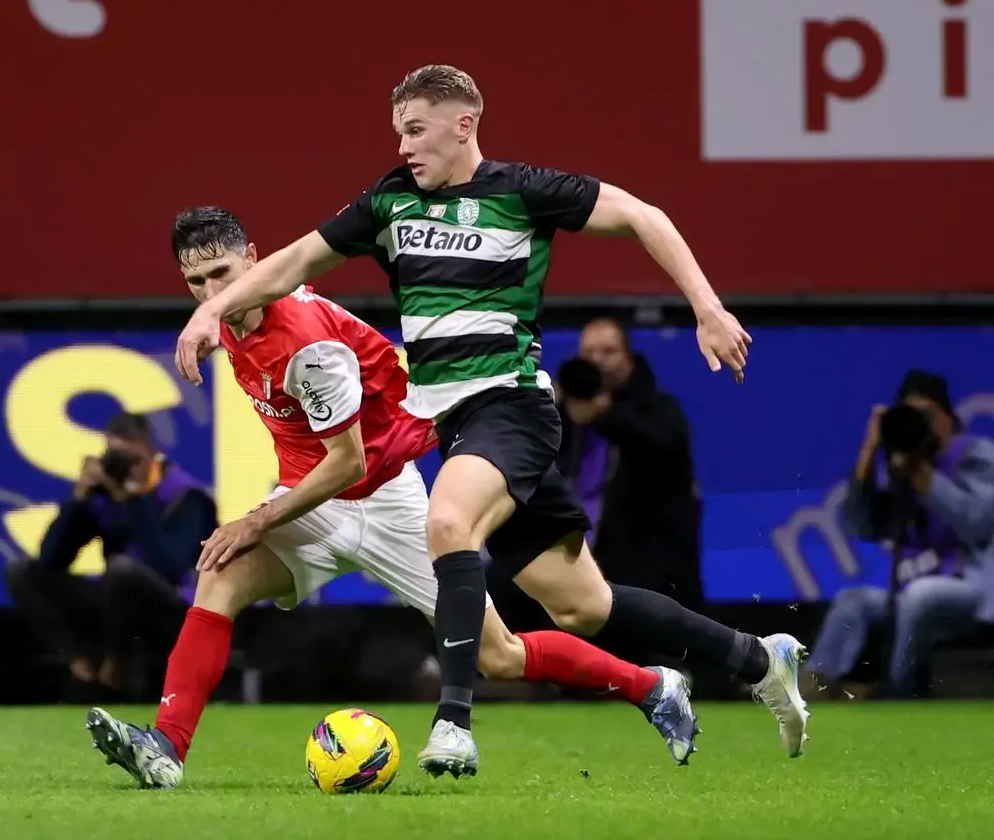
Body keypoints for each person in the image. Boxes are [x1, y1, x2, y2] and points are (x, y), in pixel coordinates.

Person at [172, 65, 808, 776]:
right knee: (583, 607)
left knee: (448, 523)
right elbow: (292, 260)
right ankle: (756, 656)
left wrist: (707, 306)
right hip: (459, 425)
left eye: (416, 129)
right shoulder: (391, 201)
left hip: (512, 406)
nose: (405, 146)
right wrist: (211, 311)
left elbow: (643, 216)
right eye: (398, 132)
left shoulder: (522, 190)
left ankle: (453, 722)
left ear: (463, 124)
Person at [84, 207, 700, 791]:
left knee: (499, 656)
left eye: (222, 273)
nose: (210, 289)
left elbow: (347, 461)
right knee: (218, 574)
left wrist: (259, 519)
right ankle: (164, 749)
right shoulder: (226, 318)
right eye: (196, 280)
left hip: (384, 499)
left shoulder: (306, 344)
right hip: (315, 502)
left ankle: (652, 687)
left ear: (254, 257)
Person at [804, 371, 994, 698]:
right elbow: (863, 527)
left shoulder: (975, 455)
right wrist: (869, 453)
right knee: (855, 601)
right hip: (910, 596)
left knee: (921, 595)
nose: (919, 424)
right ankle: (813, 686)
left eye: (926, 416)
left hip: (976, 591)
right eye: (911, 416)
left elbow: (978, 525)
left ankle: (895, 693)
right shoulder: (901, 464)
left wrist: (926, 478)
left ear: (948, 418)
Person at [5, 412, 216, 699]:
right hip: (115, 605)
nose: (124, 466)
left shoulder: (186, 496)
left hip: (174, 609)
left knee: (122, 570)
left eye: (132, 458)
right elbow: (51, 560)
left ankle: (117, 662)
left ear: (151, 454)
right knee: (21, 572)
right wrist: (79, 498)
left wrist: (134, 498)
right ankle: (79, 658)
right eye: (115, 456)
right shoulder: (106, 495)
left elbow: (169, 566)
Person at [559, 317, 702, 610]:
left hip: (650, 572)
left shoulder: (658, 409)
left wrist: (606, 414)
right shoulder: (565, 415)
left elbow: (663, 448)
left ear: (628, 356)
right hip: (581, 567)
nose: (597, 361)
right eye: (589, 354)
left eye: (608, 351)